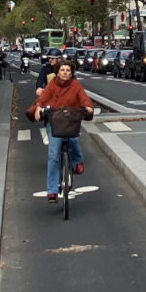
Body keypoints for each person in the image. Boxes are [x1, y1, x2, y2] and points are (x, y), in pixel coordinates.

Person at [31, 59, 92, 202]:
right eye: (62, 70)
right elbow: (43, 98)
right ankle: (52, 190)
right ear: (57, 72)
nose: (65, 73)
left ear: (71, 73)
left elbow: (84, 99)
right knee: (53, 155)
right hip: (55, 120)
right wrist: (39, 108)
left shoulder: (76, 85)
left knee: (73, 138)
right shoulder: (52, 85)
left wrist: (88, 107)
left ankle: (77, 161)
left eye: (68, 70)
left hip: (70, 119)